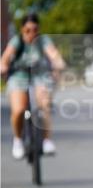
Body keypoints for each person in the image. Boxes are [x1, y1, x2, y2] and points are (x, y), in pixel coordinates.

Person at [0, 13, 66, 158]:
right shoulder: (17, 41)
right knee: (19, 110)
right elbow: (5, 58)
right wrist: (3, 66)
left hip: (39, 76)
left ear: (39, 29)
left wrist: (58, 63)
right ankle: (17, 140)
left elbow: (53, 54)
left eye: (35, 29)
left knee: (45, 105)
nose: (31, 33)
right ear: (22, 29)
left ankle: (47, 140)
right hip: (18, 76)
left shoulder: (43, 41)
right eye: (27, 30)